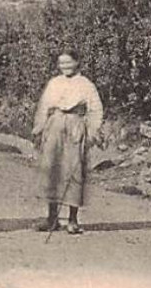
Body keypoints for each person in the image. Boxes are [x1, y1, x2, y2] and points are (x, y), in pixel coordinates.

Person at [32, 50, 104, 235]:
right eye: (61, 63)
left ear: (77, 62)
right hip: (55, 125)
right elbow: (43, 107)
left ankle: (73, 220)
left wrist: (92, 132)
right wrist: (39, 129)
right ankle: (52, 219)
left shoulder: (86, 84)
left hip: (75, 127)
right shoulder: (54, 83)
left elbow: (95, 110)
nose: (65, 67)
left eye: (68, 63)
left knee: (74, 171)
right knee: (52, 170)